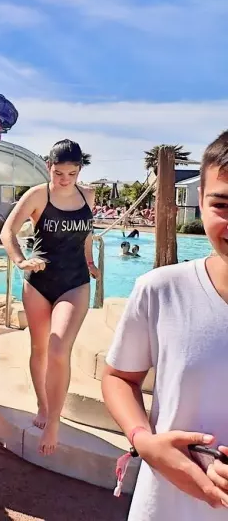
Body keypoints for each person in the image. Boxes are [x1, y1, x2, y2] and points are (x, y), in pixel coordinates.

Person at [101, 131, 228, 519]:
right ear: (199, 203)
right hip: (166, 507)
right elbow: (119, 377)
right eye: (222, 204)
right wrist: (144, 440)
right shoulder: (160, 290)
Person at [0, 139, 98, 456]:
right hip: (39, 281)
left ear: (79, 170)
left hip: (75, 282)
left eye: (72, 173)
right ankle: (43, 405)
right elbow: (7, 231)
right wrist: (20, 261)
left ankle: (53, 420)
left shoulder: (88, 195)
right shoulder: (38, 195)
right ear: (49, 167)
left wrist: (90, 261)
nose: (65, 179)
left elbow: (86, 233)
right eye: (58, 173)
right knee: (39, 348)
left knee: (58, 348)